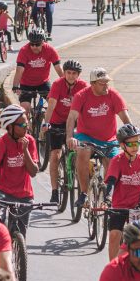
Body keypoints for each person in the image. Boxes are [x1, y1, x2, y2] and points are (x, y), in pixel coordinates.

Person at [65, 67, 130, 212]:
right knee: (82, 153)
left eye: (107, 82)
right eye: (102, 83)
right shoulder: (82, 96)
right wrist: (70, 137)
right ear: (93, 83)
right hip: (86, 137)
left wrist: (132, 136)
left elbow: (125, 118)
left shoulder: (113, 95)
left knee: (114, 163)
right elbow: (71, 118)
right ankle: (83, 193)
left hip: (109, 139)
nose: (106, 86)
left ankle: (108, 195)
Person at [0, 104, 39, 237]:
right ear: (10, 127)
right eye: (22, 125)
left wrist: (25, 150)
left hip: (24, 195)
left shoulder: (30, 141)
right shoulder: (2, 143)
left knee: (21, 233)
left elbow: (33, 172)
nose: (26, 126)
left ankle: (19, 253)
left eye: (27, 123)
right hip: (3, 193)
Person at [101, 123, 140, 260]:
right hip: (119, 206)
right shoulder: (117, 161)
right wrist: (107, 199)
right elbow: (111, 182)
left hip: (138, 207)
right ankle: (113, 268)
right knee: (114, 235)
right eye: (131, 144)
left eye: (137, 143)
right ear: (122, 145)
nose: (135, 147)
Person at [41, 59, 86, 203]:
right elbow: (51, 106)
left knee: (82, 154)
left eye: (74, 73)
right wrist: (46, 123)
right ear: (64, 73)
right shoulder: (57, 84)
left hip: (76, 124)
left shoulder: (83, 86)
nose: (71, 76)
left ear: (78, 75)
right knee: (55, 155)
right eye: (68, 73)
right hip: (57, 122)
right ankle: (54, 191)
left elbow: (86, 108)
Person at [11, 28, 62, 116]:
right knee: (24, 110)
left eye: (37, 44)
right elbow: (19, 70)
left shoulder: (50, 50)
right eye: (32, 44)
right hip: (26, 84)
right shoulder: (24, 50)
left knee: (54, 106)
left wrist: (66, 84)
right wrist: (15, 86)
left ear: (43, 42)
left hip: (43, 83)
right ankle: (28, 128)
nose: (34, 47)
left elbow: (59, 69)